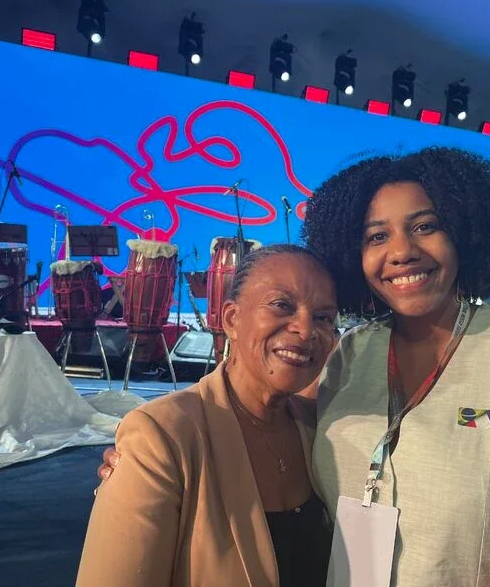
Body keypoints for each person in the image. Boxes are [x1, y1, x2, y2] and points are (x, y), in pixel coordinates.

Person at [98, 147, 490, 586]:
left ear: (465, 233)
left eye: (425, 227)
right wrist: (150, 459)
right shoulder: (346, 354)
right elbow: (256, 426)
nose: (401, 252)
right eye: (376, 236)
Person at [77, 244, 339, 587]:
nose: (306, 330)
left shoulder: (318, 429)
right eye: (281, 305)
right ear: (231, 319)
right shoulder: (162, 437)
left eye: (323, 317)